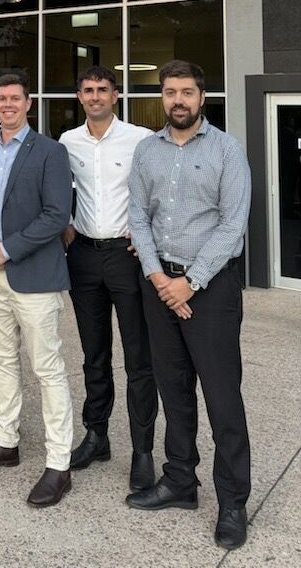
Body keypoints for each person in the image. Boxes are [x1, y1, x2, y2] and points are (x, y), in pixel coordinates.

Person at [127, 60, 252, 552]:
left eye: (186, 92)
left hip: (212, 290)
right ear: (162, 97)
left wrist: (191, 283)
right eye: (170, 92)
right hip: (160, 287)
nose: (177, 100)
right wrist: (160, 279)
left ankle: (233, 502)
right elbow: (138, 217)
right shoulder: (146, 151)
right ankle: (180, 481)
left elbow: (233, 224)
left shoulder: (227, 150)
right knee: (173, 391)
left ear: (203, 97)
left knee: (222, 399)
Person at [0, 73, 74, 509]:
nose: (7, 104)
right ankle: (5, 442)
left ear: (28, 103)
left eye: (15, 98)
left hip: (34, 277)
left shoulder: (50, 151)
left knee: (48, 369)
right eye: (1, 99)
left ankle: (59, 464)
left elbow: (56, 214)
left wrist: (6, 249)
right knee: (2, 361)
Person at [59, 66, 157, 492]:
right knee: (94, 355)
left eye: (102, 89)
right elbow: (58, 191)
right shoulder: (68, 142)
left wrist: (148, 234)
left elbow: (157, 190)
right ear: (79, 97)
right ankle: (96, 436)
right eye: (88, 90)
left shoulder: (140, 139)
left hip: (126, 257)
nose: (95, 96)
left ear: (116, 96)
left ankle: (142, 450)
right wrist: (64, 225)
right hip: (84, 257)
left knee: (138, 359)